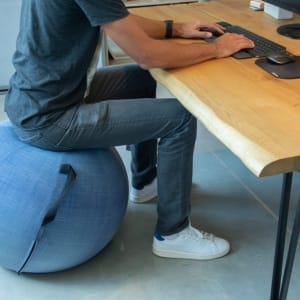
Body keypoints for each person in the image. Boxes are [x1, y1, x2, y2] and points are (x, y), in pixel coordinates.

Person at [5, 0, 254, 260]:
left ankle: (144, 181)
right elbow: (148, 56)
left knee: (140, 78)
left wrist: (177, 29)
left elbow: (118, 19)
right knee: (179, 119)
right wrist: (216, 49)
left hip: (40, 98)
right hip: (50, 118)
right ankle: (173, 234)